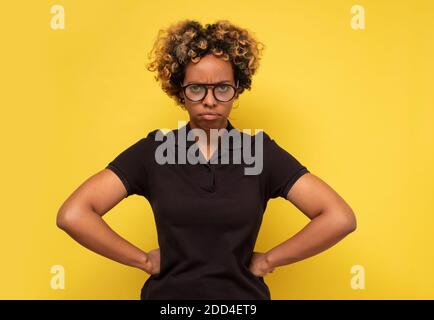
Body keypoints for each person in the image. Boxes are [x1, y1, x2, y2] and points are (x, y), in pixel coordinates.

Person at [56, 19, 357, 300]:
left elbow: (338, 218)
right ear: (180, 91)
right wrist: (143, 260)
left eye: (222, 88)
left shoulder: (261, 153)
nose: (210, 100)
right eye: (197, 88)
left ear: (237, 89)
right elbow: (74, 214)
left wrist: (268, 260)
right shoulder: (153, 152)